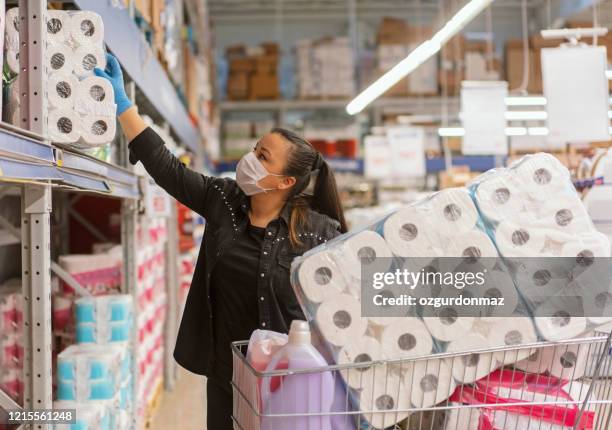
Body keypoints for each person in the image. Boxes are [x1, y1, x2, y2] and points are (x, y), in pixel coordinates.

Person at [95, 54, 348, 429]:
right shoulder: (223, 199)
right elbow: (168, 169)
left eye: (263, 157)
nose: (250, 159)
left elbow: (349, 302)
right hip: (227, 376)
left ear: (285, 183)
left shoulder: (317, 231)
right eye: (255, 148)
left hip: (290, 381)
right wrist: (125, 106)